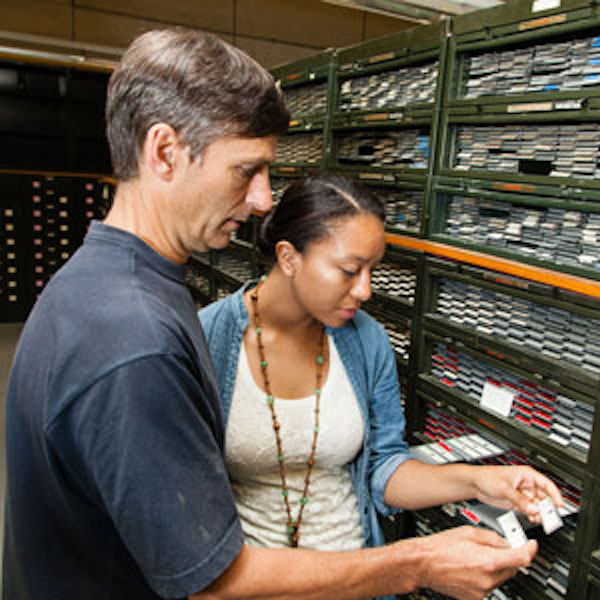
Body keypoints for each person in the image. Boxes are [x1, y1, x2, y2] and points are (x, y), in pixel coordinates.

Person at [2, 25, 542, 600]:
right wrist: (416, 562)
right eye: (246, 170)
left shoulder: (109, 285)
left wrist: (476, 481)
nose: (263, 200)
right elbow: (211, 580)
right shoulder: (134, 334)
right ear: (164, 152)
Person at [199, 173, 564, 598]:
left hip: (360, 580)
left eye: (373, 269)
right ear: (288, 256)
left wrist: (479, 482)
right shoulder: (207, 340)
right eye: (349, 270)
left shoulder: (366, 340)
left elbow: (383, 467)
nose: (366, 290)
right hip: (254, 586)